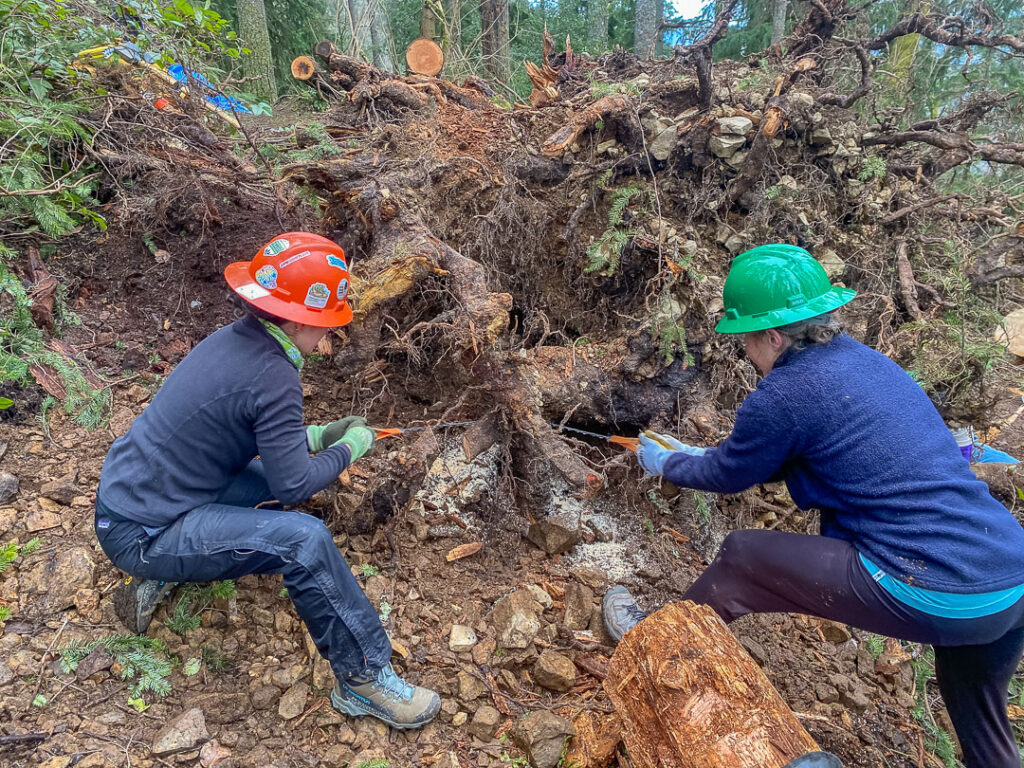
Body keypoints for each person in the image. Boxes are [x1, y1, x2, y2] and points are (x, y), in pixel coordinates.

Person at [602, 244, 1024, 768]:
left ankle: (656, 647)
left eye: (746, 342)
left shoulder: (784, 392)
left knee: (742, 557)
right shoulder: (868, 363)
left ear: (773, 336)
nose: (747, 354)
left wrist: (667, 464)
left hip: (933, 581)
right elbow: (804, 453)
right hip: (1007, 579)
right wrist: (699, 454)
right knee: (980, 718)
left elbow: (732, 474)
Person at [94, 232, 440, 729]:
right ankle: (364, 679)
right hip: (145, 531)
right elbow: (293, 484)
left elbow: (251, 433)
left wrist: (318, 435)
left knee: (264, 499)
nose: (327, 336)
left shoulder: (235, 340)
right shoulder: (274, 375)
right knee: (305, 540)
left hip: (137, 494)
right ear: (300, 319)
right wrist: (350, 448)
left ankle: (180, 561)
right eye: (325, 325)